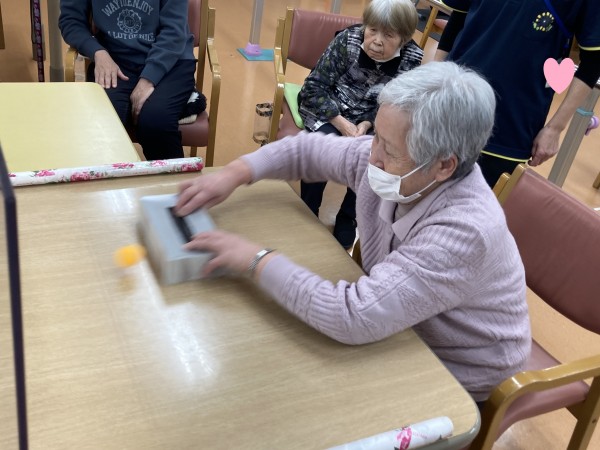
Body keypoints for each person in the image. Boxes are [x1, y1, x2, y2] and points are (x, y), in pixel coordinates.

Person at [175, 62, 531, 403]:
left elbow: (352, 316)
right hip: (403, 327)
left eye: (389, 149)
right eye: (377, 137)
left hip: (459, 371)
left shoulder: (465, 231)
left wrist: (254, 259)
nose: (372, 156)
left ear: (444, 165)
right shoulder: (400, 168)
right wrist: (235, 173)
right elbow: (305, 149)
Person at [298, 0, 423, 249]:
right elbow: (313, 88)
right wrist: (342, 124)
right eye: (372, 30)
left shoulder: (411, 58)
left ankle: (348, 216)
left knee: (378, 158)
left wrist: (366, 124)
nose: (376, 41)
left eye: (388, 35)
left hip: (376, 117)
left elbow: (398, 104)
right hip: (331, 108)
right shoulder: (348, 41)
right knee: (322, 148)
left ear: (404, 39)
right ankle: (308, 211)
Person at [434, 0, 600, 187]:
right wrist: (430, 84)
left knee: (477, 201)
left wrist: (555, 128)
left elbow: (593, 62)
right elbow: (457, 20)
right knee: (417, 193)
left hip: (511, 123)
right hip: (449, 105)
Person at [59, 0, 198, 161]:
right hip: (115, 59)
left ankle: (172, 178)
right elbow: (71, 21)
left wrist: (149, 78)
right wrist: (97, 52)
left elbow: (174, 32)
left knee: (156, 121)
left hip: (170, 59)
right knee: (105, 124)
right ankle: (111, 177)